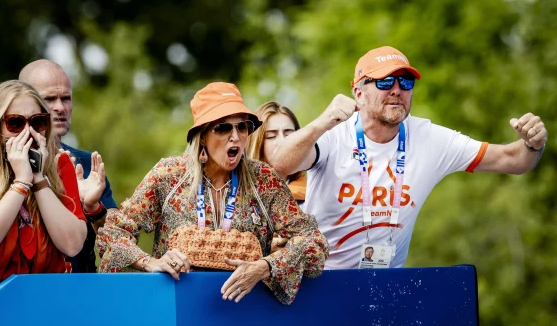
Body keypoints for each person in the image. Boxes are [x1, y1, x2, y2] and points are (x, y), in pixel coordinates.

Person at [271, 46, 547, 269]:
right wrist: (322, 121)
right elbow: (281, 163)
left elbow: (513, 161)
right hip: (320, 280)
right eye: (385, 81)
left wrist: (532, 144)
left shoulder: (429, 139)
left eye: (405, 82)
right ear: (359, 93)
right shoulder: (335, 134)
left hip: (387, 287)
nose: (397, 90)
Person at [97, 82, 328, 305]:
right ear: (203, 135)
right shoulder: (169, 175)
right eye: (224, 127)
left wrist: (266, 266)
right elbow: (112, 235)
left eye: (242, 126)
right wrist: (150, 262)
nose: (236, 136)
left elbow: (314, 243)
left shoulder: (264, 179)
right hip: (177, 310)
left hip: (248, 311)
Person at [0, 80, 94, 303]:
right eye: (15, 123)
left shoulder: (59, 166)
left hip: (43, 297)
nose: (28, 132)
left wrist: (39, 178)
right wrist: (21, 183)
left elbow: (72, 244)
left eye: (37, 122)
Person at [19, 60, 117, 273]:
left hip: (81, 291)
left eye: (66, 98)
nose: (60, 107)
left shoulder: (88, 163)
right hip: (20, 290)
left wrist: (94, 209)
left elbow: (119, 239)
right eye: (49, 99)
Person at [246, 101, 307, 252]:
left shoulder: (314, 188)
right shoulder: (239, 190)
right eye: (271, 136)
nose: (282, 141)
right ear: (257, 142)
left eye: (289, 134)